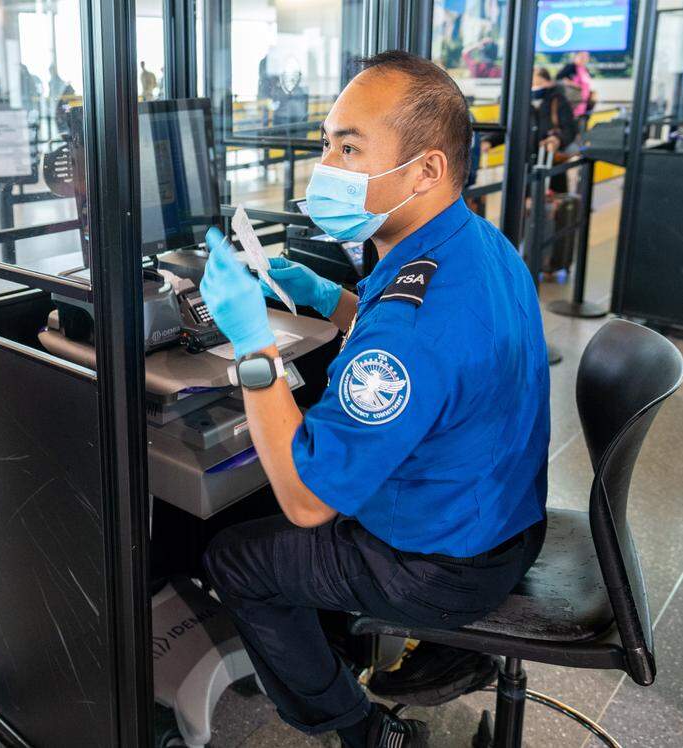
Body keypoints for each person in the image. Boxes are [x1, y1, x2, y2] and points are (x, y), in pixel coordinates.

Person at [199, 51, 549, 747]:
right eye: (328, 142)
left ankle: (356, 729)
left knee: (236, 555)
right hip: (503, 516)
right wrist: (332, 300)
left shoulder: (411, 324)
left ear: (426, 170)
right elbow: (430, 341)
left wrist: (251, 347)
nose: (325, 165)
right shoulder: (474, 244)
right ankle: (374, 649)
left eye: (349, 146)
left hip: (444, 565)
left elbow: (306, 500)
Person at [531, 66, 577, 192]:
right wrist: (491, 141)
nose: (535, 87)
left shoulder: (558, 100)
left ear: (548, 82)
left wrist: (557, 139)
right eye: (532, 83)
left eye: (538, 83)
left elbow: (570, 130)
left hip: (552, 161)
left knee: (552, 203)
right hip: (526, 162)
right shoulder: (523, 101)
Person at [556, 51, 595, 121]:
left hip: (583, 102)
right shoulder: (570, 67)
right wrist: (575, 85)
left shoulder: (585, 69)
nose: (584, 59)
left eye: (586, 57)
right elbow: (559, 79)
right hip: (572, 102)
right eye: (582, 56)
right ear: (576, 57)